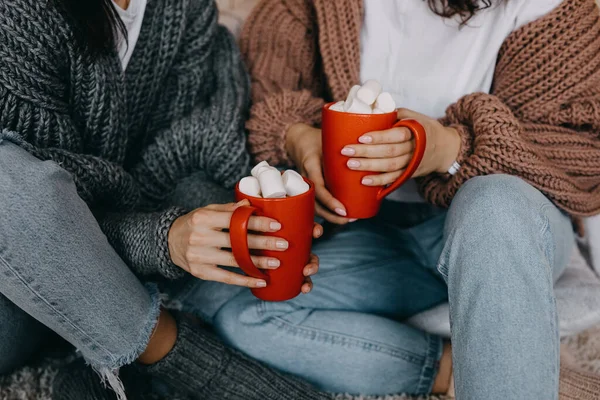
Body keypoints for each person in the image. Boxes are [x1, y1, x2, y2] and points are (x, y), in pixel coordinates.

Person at [188, 0, 600, 399]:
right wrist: (298, 139)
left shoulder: (549, 10)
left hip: (503, 223)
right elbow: (268, 100)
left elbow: (582, 152)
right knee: (235, 308)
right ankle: (466, 371)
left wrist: (450, 148)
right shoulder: (308, 7)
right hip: (377, 231)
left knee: (491, 204)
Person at [0, 0, 328, 399]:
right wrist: (161, 238)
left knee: (228, 243)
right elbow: (36, 220)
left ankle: (106, 358)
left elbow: (190, 155)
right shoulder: (19, 14)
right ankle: (179, 355)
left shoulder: (184, 9)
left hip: (106, 270)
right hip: (14, 293)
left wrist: (198, 232)